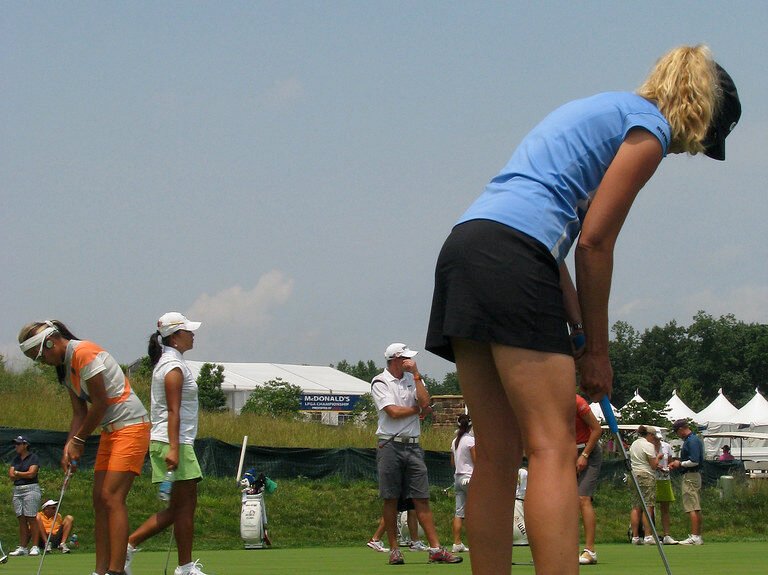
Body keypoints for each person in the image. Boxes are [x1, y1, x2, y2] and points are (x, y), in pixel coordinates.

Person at [425, 44, 740, 573]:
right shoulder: (649, 130)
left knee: (498, 454)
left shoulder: (605, 110)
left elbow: (555, 240)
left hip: (468, 248)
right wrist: (598, 351)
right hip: (516, 258)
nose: (690, 150)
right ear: (701, 115)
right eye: (704, 142)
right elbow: (595, 243)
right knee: (550, 448)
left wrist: (574, 323)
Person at [18, 320, 151, 575]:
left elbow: (100, 403)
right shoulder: (66, 368)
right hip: (110, 431)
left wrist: (79, 441)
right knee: (99, 501)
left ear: (51, 342)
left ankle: (117, 570)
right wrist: (69, 446)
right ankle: (100, 571)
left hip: (132, 426)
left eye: (39, 355)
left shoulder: (84, 353)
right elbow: (79, 413)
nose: (41, 362)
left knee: (112, 498)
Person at [126, 313, 209, 575]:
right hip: (173, 442)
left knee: (181, 508)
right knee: (183, 508)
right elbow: (174, 411)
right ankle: (182, 567)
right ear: (175, 336)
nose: (193, 334)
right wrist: (174, 448)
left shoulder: (173, 363)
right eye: (188, 331)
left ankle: (130, 547)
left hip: (175, 442)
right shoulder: (172, 367)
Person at [371, 343, 462, 565]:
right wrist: (418, 411)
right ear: (395, 359)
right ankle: (394, 550)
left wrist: (417, 376)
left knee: (421, 498)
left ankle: (436, 549)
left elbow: (426, 402)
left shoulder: (414, 378)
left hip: (413, 445)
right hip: (390, 445)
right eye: (406, 359)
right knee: (391, 498)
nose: (410, 362)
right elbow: (392, 412)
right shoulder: (380, 381)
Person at [575, 395, 602, 565]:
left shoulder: (577, 402)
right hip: (566, 452)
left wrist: (584, 455)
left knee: (583, 498)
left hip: (588, 452)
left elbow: (597, 429)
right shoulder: (549, 401)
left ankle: (590, 551)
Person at [669, 418, 705, 545]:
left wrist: (680, 463)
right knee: (695, 505)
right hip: (693, 475)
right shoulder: (693, 439)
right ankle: (697, 535)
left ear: (680, 429)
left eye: (676, 432)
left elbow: (694, 460)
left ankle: (695, 536)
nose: (677, 435)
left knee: (692, 506)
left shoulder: (692, 441)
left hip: (691, 475)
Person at [629, 426, 665, 545]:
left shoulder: (634, 444)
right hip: (646, 475)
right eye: (653, 436)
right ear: (649, 435)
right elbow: (653, 465)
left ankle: (635, 537)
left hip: (633, 474)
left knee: (636, 506)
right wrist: (659, 458)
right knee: (648, 505)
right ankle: (648, 535)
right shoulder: (649, 446)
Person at [8, 435, 42, 557]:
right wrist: (20, 474)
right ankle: (23, 547)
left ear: (25, 445)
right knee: (21, 518)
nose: (16, 446)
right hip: (17, 490)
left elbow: (31, 474)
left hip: (31, 489)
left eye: (18, 444)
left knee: (31, 518)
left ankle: (35, 546)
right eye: (15, 444)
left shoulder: (33, 457)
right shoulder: (16, 459)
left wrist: (17, 473)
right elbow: (11, 474)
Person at [450, 414, 475, 553]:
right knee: (475, 511)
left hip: (458, 478)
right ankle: (477, 541)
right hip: (469, 477)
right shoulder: (470, 440)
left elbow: (452, 462)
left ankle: (457, 543)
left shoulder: (455, 441)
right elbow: (476, 460)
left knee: (459, 512)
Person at [656, 434, 678, 545]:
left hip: (664, 479)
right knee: (649, 508)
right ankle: (649, 535)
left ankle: (667, 535)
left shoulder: (666, 446)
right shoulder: (647, 446)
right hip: (652, 479)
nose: (658, 440)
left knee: (665, 508)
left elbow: (670, 461)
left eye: (659, 438)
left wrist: (668, 466)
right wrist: (657, 464)